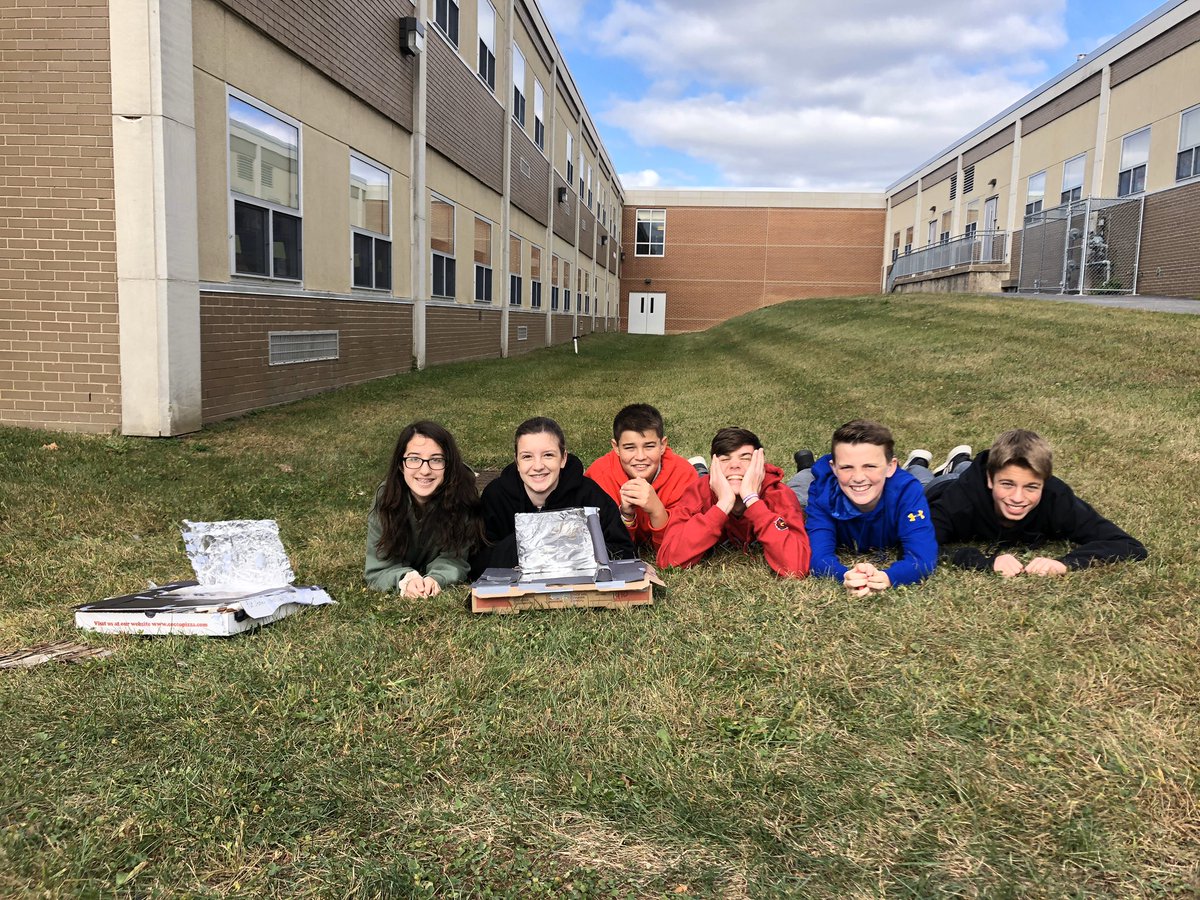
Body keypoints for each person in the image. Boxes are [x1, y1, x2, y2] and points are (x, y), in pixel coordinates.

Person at [927, 428, 1147, 575]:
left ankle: (960, 462)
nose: (1017, 498)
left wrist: (1066, 563)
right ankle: (931, 463)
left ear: (1044, 482)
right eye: (1007, 484)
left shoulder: (1056, 498)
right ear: (990, 479)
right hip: (942, 487)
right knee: (922, 478)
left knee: (965, 470)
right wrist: (983, 562)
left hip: (979, 480)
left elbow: (1128, 545)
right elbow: (914, 547)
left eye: (1031, 487)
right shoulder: (957, 502)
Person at [471, 417, 635, 576]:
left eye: (548, 455)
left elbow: (623, 551)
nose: (538, 466)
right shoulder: (496, 496)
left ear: (563, 458)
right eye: (527, 456)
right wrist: (532, 538)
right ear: (517, 462)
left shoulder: (589, 494)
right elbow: (477, 561)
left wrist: (571, 544)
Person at [794, 420, 937, 595]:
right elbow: (817, 556)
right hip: (820, 480)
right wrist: (844, 575)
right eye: (846, 467)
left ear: (890, 467)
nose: (858, 477)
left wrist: (888, 577)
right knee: (802, 481)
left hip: (901, 482)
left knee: (924, 480)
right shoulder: (823, 492)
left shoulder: (907, 491)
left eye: (870, 466)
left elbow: (923, 558)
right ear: (834, 468)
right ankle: (805, 465)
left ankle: (919, 463)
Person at [658, 427, 810, 577]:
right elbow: (668, 560)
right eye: (724, 459)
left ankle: (806, 467)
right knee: (701, 477)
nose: (735, 465)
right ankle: (700, 469)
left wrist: (752, 499)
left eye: (745, 458)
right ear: (715, 467)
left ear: (760, 464)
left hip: (790, 492)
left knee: (803, 488)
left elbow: (796, 567)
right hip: (709, 482)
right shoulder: (697, 491)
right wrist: (723, 504)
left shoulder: (779, 494)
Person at [365, 420, 484, 596]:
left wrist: (436, 578)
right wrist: (405, 579)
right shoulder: (386, 498)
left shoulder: (463, 497)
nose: (425, 470)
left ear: (448, 465)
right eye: (414, 459)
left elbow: (456, 559)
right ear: (401, 465)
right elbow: (378, 567)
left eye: (436, 460)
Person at [585, 403, 698, 552]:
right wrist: (626, 516)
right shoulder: (598, 477)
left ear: (663, 445)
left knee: (703, 481)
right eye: (629, 448)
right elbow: (610, 549)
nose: (640, 457)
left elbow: (675, 548)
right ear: (616, 447)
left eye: (649, 446)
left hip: (687, 474)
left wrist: (657, 510)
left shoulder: (684, 476)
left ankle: (699, 467)